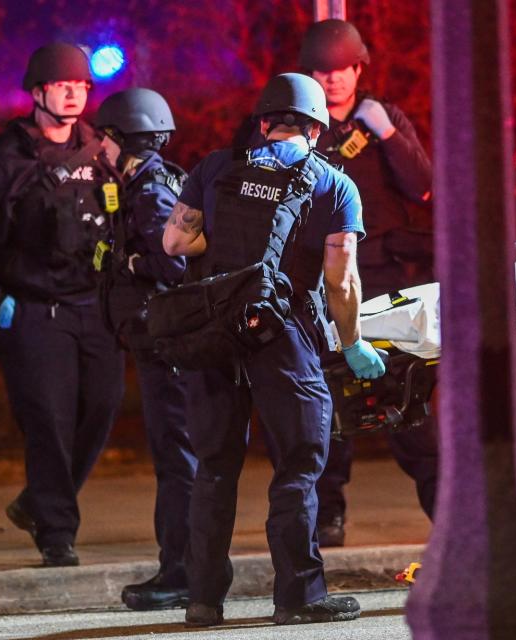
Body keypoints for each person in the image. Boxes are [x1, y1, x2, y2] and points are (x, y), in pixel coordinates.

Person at [161, 72, 384, 627]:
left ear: (262, 123)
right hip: (281, 336)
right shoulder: (334, 185)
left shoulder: (214, 167)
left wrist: (229, 259)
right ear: (316, 128)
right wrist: (353, 343)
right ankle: (298, 597)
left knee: (213, 465)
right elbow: (341, 282)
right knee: (299, 465)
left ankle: (203, 600)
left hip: (212, 334)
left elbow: (175, 241)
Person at [0, 42, 125, 567]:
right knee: (49, 422)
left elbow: (130, 219)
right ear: (37, 91)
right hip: (35, 311)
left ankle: (38, 503)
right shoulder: (3, 160)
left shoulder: (104, 151)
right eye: (62, 84)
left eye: (81, 85)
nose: (72, 93)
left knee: (101, 410)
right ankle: (57, 532)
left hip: (95, 308)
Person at [299, 18, 438, 547]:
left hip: (382, 278)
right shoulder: (296, 123)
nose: (333, 80)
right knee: (328, 403)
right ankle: (326, 516)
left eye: (342, 70)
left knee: (408, 398)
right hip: (318, 282)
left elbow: (423, 186)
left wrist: (387, 132)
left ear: (359, 69)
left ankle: (449, 519)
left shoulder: (382, 118)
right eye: (323, 71)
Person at [94, 88, 197, 610]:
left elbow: (172, 262)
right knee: (178, 457)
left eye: (104, 138)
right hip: (160, 342)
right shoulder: (144, 182)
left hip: (168, 346)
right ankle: (185, 570)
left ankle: (181, 573)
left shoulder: (151, 190)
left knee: (178, 459)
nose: (100, 148)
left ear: (122, 139)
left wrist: (132, 265)